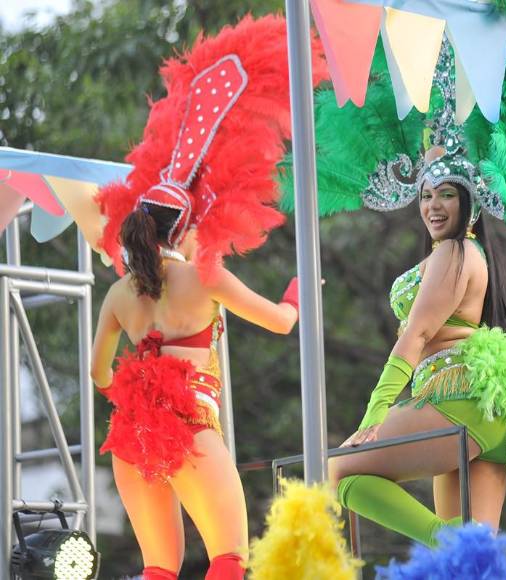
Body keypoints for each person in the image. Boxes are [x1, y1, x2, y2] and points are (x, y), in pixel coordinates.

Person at [279, 40, 506, 547]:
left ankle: (443, 540)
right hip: (487, 412)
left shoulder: (454, 252)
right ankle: (455, 546)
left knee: (339, 469)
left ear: (468, 201)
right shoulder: (466, 255)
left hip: (460, 402)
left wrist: (373, 417)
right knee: (471, 562)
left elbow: (415, 335)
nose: (433, 206)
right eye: (426, 195)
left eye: (446, 195)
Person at [90, 17, 301, 580]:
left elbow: (98, 373)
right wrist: (297, 294)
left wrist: (140, 395)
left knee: (160, 568)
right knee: (229, 556)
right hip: (190, 426)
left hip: (132, 438)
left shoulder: (118, 292)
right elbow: (281, 323)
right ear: (184, 228)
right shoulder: (205, 277)